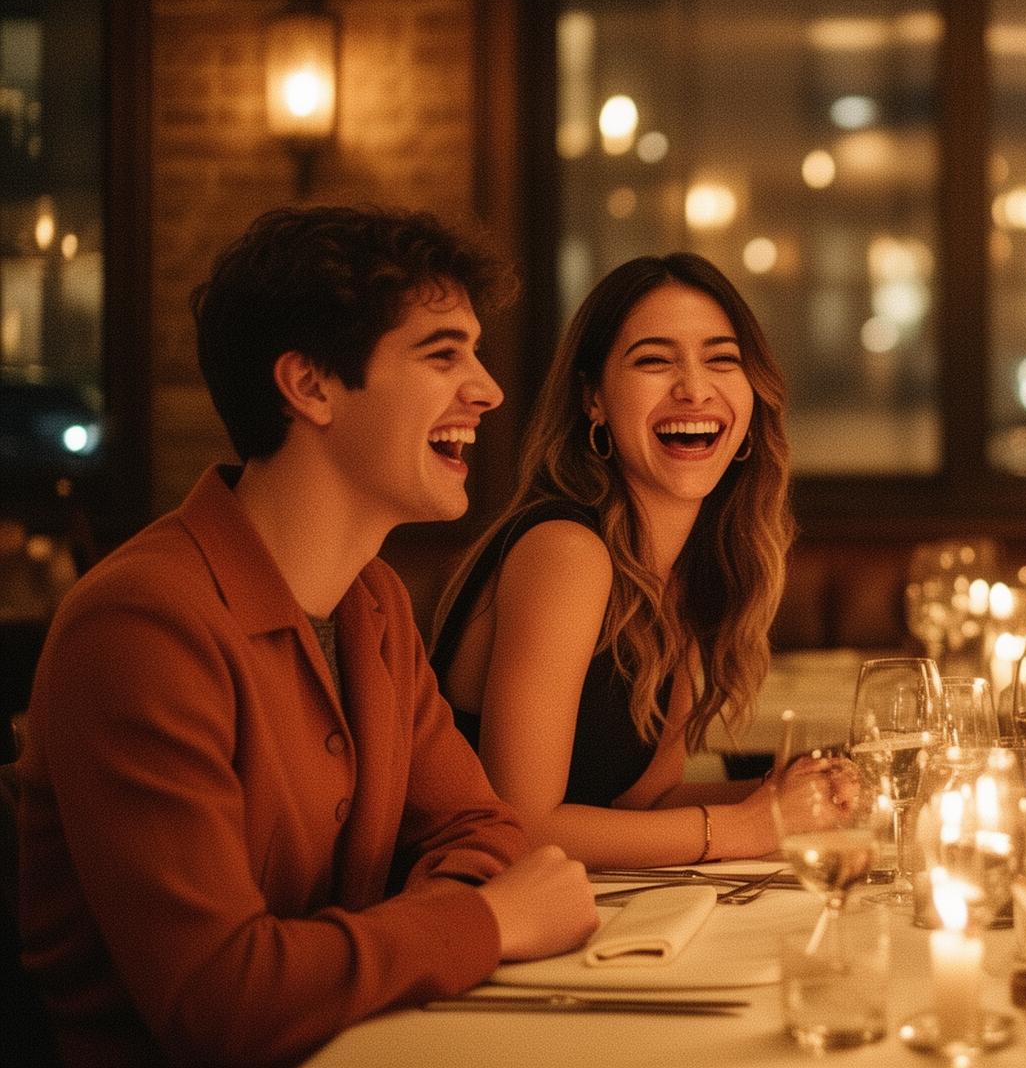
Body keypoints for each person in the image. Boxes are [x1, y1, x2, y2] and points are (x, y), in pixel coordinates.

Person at [12, 206, 599, 1067]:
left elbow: (481, 829)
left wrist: (406, 936)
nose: (488, 388)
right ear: (311, 386)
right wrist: (483, 922)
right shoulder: (141, 625)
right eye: (443, 354)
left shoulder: (374, 605)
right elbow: (221, 999)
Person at [432, 253, 801, 869]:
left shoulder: (675, 568)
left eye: (722, 359)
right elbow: (521, 824)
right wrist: (750, 826)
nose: (694, 387)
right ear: (593, 399)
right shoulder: (566, 550)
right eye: (654, 360)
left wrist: (798, 800)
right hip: (474, 929)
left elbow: (642, 805)